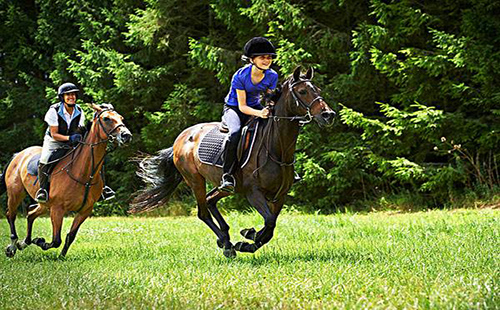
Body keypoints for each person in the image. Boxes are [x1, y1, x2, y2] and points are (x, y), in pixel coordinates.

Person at [35, 82, 115, 203]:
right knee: (45, 160)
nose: (71, 97)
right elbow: (55, 134)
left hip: (71, 140)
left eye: (73, 94)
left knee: (94, 158)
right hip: (53, 141)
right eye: (68, 95)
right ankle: (43, 190)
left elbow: (79, 129)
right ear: (62, 97)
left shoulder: (79, 111)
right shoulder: (53, 111)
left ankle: (103, 189)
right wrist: (70, 138)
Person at [218, 37, 278, 193]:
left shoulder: (272, 76)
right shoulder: (240, 76)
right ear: (252, 59)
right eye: (263, 57)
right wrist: (260, 113)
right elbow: (242, 106)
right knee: (235, 133)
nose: (267, 60)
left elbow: (268, 97)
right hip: (234, 108)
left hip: (255, 106)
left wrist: (269, 107)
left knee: (275, 127)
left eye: (269, 57)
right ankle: (227, 176)